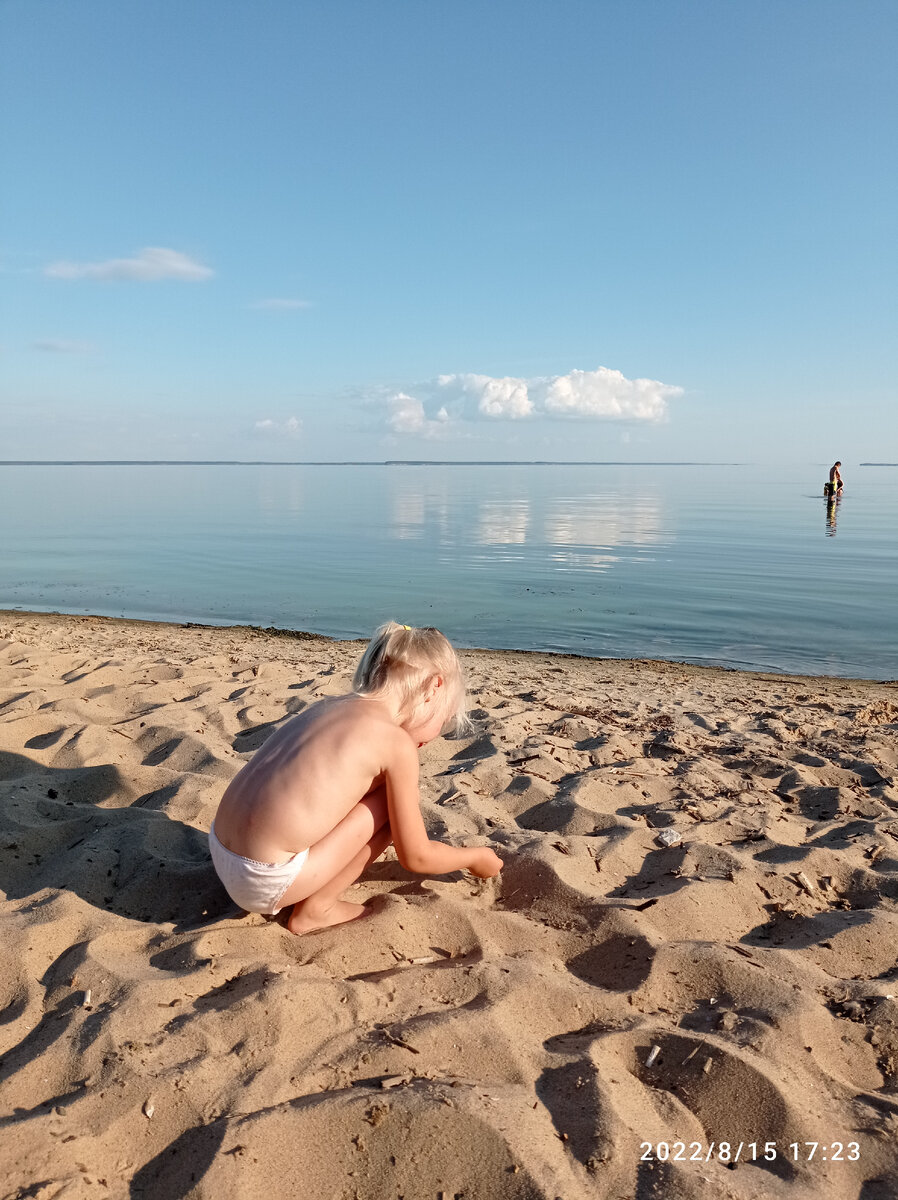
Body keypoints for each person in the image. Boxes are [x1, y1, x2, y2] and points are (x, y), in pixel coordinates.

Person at [209, 621, 503, 934]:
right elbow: (416, 857)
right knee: (395, 807)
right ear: (434, 687)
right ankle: (316, 910)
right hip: (263, 880)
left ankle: (302, 886)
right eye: (444, 719)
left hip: (220, 852)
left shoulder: (328, 706)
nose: (434, 735)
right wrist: (477, 857)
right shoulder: (395, 742)